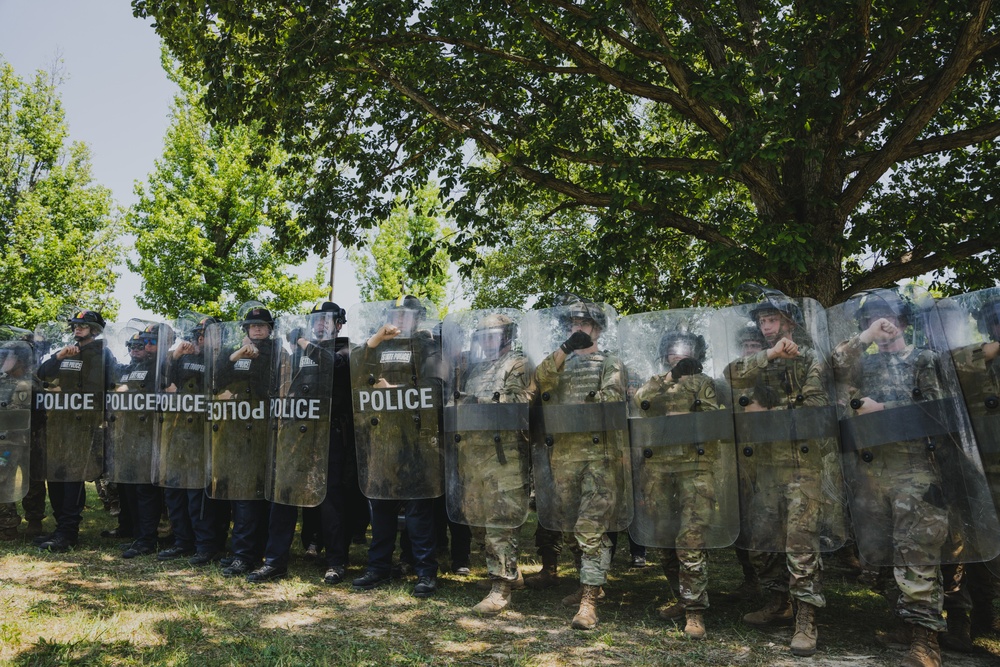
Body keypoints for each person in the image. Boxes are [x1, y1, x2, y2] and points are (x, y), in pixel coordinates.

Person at [831, 289, 961, 667]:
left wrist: (883, 408)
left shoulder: (924, 359)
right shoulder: (864, 364)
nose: (884, 324)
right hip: (872, 473)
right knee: (882, 555)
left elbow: (938, 412)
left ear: (904, 322)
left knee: (917, 555)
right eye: (872, 320)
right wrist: (866, 337)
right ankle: (905, 623)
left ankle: (925, 642)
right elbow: (835, 365)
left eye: (889, 319)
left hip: (915, 470)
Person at [725, 289, 838, 657]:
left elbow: (816, 407)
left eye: (771, 319)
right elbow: (728, 378)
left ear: (789, 321)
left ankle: (806, 620)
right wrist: (768, 355)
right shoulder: (760, 359)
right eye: (761, 320)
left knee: (800, 543)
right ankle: (778, 602)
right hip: (764, 465)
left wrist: (767, 412)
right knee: (762, 540)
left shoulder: (811, 359)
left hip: (801, 465)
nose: (765, 325)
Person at [531, 296, 629, 630]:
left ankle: (589, 602)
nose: (578, 328)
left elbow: (611, 398)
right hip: (563, 458)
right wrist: (564, 349)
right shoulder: (558, 362)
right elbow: (539, 381)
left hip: (598, 458)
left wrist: (576, 406)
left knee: (590, 529)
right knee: (572, 529)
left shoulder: (609, 361)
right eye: (573, 324)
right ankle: (588, 585)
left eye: (584, 324)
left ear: (597, 329)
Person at [631, 326, 731, 640]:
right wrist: (672, 377)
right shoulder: (657, 383)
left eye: (685, 350)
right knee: (663, 538)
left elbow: (713, 420)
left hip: (695, 470)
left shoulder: (705, 384)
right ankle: (682, 596)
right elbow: (641, 400)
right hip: (660, 470)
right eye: (674, 350)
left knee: (691, 539)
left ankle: (695, 612)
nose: (679, 355)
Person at [247, 301, 352, 584]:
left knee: (330, 500)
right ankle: (275, 561)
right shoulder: (296, 355)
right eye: (315, 319)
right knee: (284, 496)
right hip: (296, 434)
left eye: (326, 319)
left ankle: (336, 562)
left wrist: (303, 342)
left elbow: (334, 365)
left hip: (329, 435)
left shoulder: (345, 348)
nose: (319, 324)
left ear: (338, 324)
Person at [351, 295, 442, 598]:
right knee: (382, 506)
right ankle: (378, 568)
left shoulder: (427, 346)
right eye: (395, 315)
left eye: (406, 316)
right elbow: (355, 374)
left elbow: (435, 388)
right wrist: (375, 340)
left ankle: (426, 572)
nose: (399, 320)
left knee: (418, 510)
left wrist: (394, 390)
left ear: (417, 319)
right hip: (382, 438)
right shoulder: (379, 347)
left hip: (416, 439)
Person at [445, 311, 534, 615]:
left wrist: (478, 403)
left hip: (504, 458)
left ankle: (502, 589)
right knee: (478, 520)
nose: (486, 341)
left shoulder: (519, 364)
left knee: (500, 523)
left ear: (507, 337)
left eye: (492, 336)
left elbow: (520, 402)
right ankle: (511, 573)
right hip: (474, 456)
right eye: (482, 336)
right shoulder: (475, 369)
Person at [35, 309, 115, 552]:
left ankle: (69, 532)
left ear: (95, 329)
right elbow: (42, 376)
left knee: (72, 478)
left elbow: (96, 389)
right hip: (59, 424)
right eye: (75, 326)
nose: (77, 329)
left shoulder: (101, 353)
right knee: (56, 475)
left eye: (83, 325)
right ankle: (60, 526)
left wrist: (64, 392)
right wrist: (58, 357)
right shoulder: (68, 352)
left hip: (83, 425)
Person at [208, 305, 279, 577]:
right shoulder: (234, 354)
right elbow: (217, 382)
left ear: (269, 329)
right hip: (236, 432)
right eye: (252, 326)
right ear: (246, 330)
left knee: (255, 496)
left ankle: (247, 554)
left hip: (264, 432)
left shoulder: (276, 354)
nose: (257, 329)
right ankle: (242, 552)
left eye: (262, 325)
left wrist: (259, 358)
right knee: (241, 495)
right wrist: (237, 355)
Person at [157, 315, 229, 565]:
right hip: (178, 433)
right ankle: (182, 541)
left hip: (205, 435)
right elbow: (163, 383)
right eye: (200, 333)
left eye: (208, 333)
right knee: (175, 490)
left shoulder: (222, 358)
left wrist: (211, 353)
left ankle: (206, 545)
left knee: (198, 495)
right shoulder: (183, 357)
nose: (202, 338)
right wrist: (175, 356)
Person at [108, 328, 164, 558]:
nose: (137, 350)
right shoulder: (129, 369)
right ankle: (136, 534)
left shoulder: (160, 366)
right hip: (126, 436)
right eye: (132, 347)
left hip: (149, 436)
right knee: (128, 486)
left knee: (144, 489)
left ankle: (147, 540)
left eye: (142, 345)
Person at [0, 328, 34, 540]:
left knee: (5, 480)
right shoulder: (4, 381)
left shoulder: (24, 384)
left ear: (19, 360)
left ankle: (9, 525)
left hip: (15, 441)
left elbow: (17, 414)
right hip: (5, 439)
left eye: (8, 356)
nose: (3, 359)